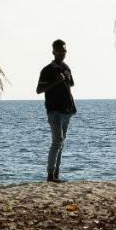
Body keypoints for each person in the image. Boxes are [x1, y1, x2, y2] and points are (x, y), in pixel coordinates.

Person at [36, 38, 76, 183]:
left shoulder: (66, 68)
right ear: (53, 52)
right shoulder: (47, 70)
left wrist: (72, 107)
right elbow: (39, 90)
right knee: (57, 141)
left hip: (67, 110)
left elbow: (70, 85)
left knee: (61, 143)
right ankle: (50, 175)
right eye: (59, 50)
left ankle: (56, 175)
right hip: (54, 111)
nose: (62, 53)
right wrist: (55, 82)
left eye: (64, 50)